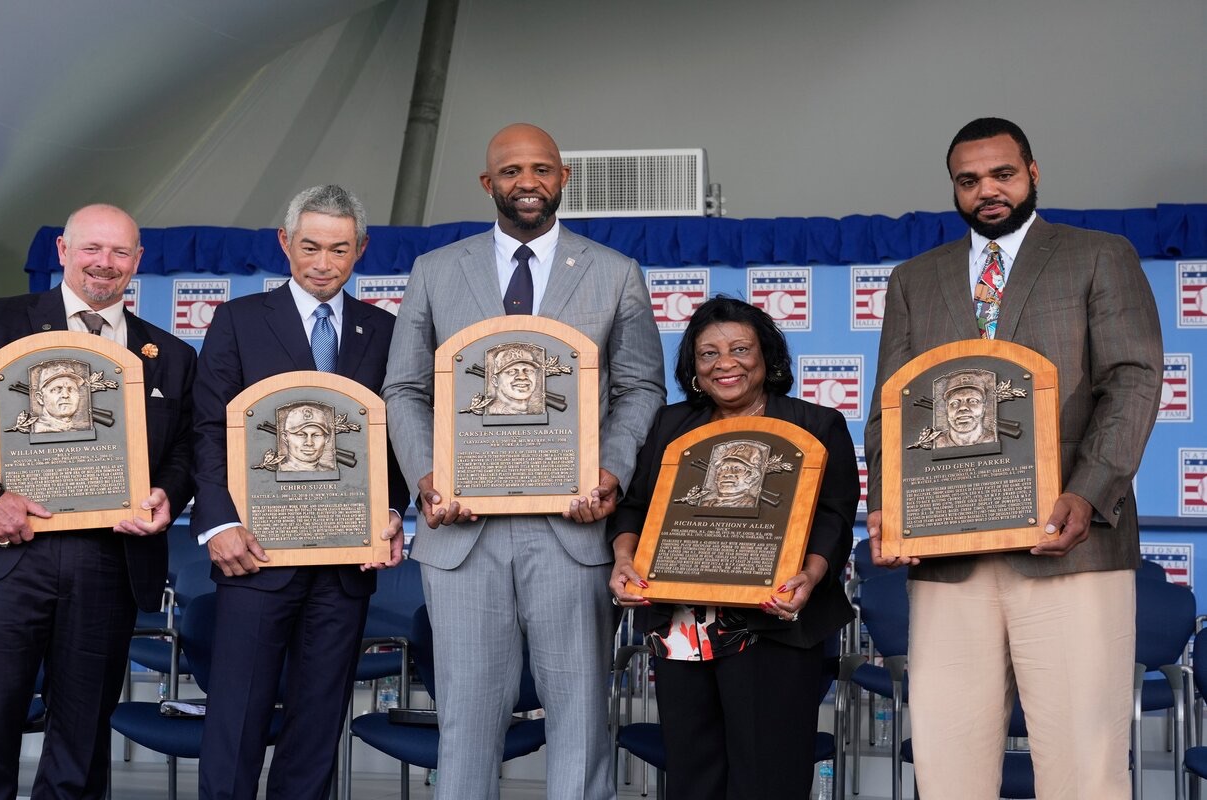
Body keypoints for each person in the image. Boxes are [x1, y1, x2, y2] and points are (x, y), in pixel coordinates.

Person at [864, 117, 1162, 799]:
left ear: (1033, 172)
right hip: (948, 557)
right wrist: (889, 506)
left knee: (1083, 766)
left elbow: (1134, 379)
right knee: (947, 765)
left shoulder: (1097, 255)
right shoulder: (915, 278)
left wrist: (1087, 494)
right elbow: (892, 407)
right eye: (969, 180)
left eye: (1002, 174)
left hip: (1070, 547)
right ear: (955, 188)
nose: (986, 191)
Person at [382, 122, 666, 800]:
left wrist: (612, 472)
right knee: (467, 719)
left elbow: (640, 387)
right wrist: (427, 477)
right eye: (511, 171)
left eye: (541, 169)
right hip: (462, 530)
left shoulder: (615, 273)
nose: (527, 182)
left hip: (571, 529)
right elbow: (404, 388)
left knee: (579, 720)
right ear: (489, 184)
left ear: (562, 178)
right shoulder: (435, 271)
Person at [0, 203, 196, 799]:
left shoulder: (170, 354)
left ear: (137, 262)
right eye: (91, 249)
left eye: (120, 252)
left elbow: (184, 449)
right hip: (4, 554)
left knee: (82, 747)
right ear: (64, 253)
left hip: (107, 563)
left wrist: (169, 492)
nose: (105, 264)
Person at [192, 184, 409, 800]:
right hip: (253, 556)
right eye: (309, 246)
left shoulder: (384, 331)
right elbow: (208, 429)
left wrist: (391, 512)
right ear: (284, 243)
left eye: (339, 250)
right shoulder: (237, 321)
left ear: (360, 250)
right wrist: (218, 524)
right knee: (236, 721)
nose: (322, 263)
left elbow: (393, 442)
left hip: (345, 566)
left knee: (317, 727)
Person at [609, 296, 857, 800]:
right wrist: (623, 562)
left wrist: (808, 577)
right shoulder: (668, 425)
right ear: (694, 369)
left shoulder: (816, 424)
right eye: (708, 354)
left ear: (767, 358)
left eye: (740, 348)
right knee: (692, 774)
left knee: (768, 776)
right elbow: (634, 507)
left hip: (777, 623)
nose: (725, 363)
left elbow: (834, 518)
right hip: (682, 629)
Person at [933, 373, 995, 448]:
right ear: (947, 409)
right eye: (955, 403)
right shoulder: (937, 443)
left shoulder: (994, 439)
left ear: (983, 408)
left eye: (973, 401)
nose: (963, 407)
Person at [30, 362, 89, 433]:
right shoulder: (38, 430)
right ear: (40, 398)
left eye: (71, 389)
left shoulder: (80, 429)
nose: (65, 395)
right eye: (56, 389)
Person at [484, 345, 543, 415]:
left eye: (528, 371)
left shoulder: (534, 411)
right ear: (495, 381)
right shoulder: (494, 412)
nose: (522, 377)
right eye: (511, 371)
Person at [277, 403, 335, 472]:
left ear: (326, 439)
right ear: (285, 438)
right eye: (301, 435)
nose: (309, 443)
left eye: (316, 435)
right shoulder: (281, 470)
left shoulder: (329, 471)